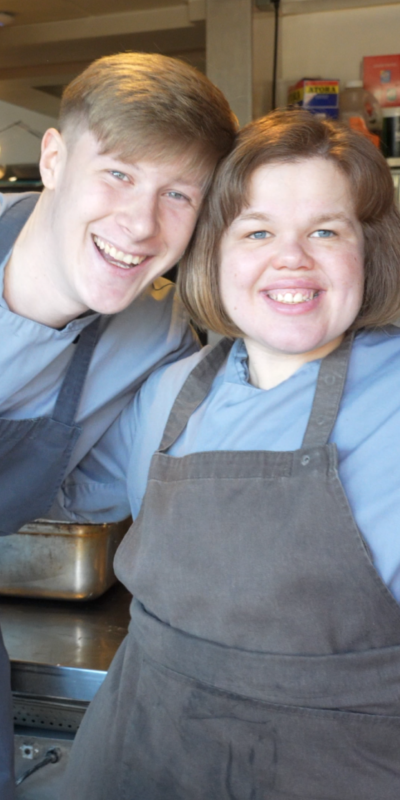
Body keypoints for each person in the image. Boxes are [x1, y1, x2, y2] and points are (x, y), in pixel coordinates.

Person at [58, 109, 400, 799]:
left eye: (326, 231)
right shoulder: (167, 391)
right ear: (214, 253)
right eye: (258, 231)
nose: (292, 258)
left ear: (369, 252)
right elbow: (58, 491)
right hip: (131, 761)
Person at [0, 52, 236, 799]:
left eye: (179, 193)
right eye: (119, 174)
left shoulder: (158, 336)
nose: (140, 224)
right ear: (54, 159)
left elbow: (101, 491)